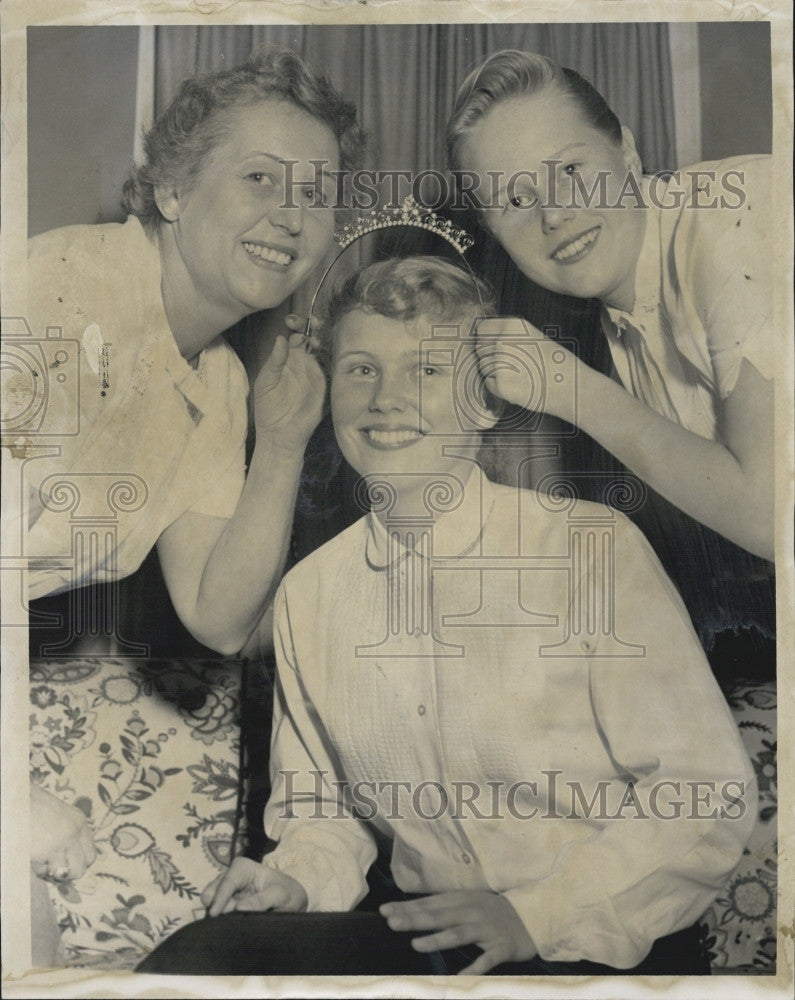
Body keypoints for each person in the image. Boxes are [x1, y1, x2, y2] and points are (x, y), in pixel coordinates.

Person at [137, 257, 755, 977]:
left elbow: (704, 798)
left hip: (598, 943)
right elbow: (323, 812)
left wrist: (536, 916)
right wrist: (297, 879)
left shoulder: (589, 549)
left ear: (484, 403)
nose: (386, 398)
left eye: (427, 372)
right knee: (198, 960)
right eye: (360, 369)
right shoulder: (309, 593)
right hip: (427, 942)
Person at [17, 47, 365, 959]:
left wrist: (282, 440)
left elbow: (217, 616)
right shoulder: (62, 296)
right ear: (171, 190)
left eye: (318, 194)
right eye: (260, 178)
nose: (292, 218)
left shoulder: (213, 380)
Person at [444, 50, 774, 564]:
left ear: (627, 152)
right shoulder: (622, 315)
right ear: (492, 232)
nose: (553, 214)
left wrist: (569, 387)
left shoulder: (733, 224)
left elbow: (774, 517)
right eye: (514, 201)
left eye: (571, 169)